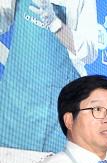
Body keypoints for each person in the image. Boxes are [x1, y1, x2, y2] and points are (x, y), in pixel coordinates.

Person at [0, 0, 98, 153]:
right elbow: (4, 15)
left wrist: (56, 25)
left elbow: (90, 52)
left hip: (55, 113)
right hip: (14, 102)